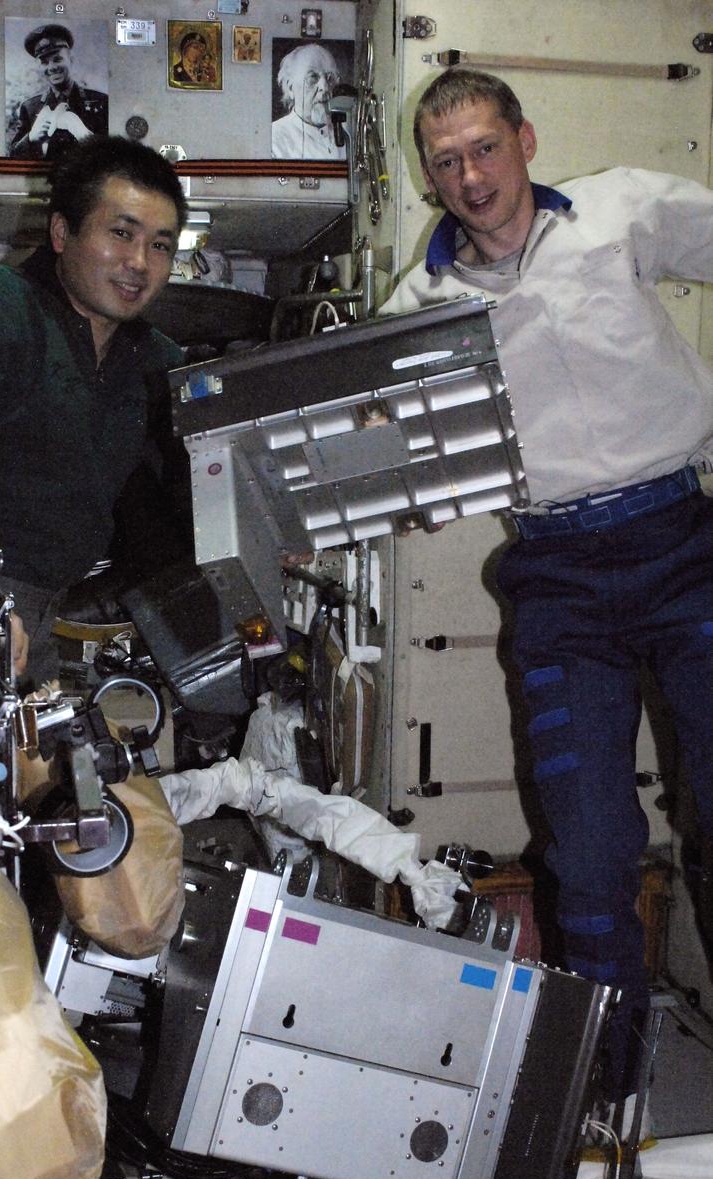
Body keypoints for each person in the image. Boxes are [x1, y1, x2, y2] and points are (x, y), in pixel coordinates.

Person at [379, 68, 713, 1102]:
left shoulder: (618, 209)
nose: (469, 176)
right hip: (556, 576)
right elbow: (371, 452)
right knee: (587, 845)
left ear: (523, 140)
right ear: (425, 175)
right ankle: (600, 1083)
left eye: (483, 148)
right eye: (444, 161)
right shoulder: (417, 305)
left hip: (682, 542)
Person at [0, 136, 189, 689]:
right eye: (121, 233)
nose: (138, 263)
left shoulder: (153, 359)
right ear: (61, 233)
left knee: (48, 764)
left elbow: (204, 464)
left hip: (56, 607)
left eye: (160, 246)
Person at [9, 24, 108, 160]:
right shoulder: (30, 107)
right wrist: (31, 138)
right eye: (44, 62)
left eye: (57, 59)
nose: (52, 67)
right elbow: (12, 157)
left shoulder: (101, 102)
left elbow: (113, 159)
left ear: (71, 60)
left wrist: (85, 135)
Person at [271, 43, 345, 160]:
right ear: (291, 88)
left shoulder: (348, 132)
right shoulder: (274, 139)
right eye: (313, 77)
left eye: (330, 78)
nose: (325, 87)